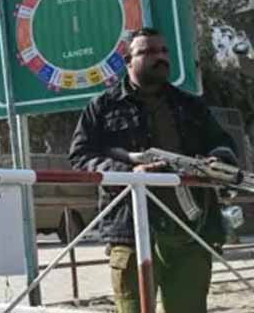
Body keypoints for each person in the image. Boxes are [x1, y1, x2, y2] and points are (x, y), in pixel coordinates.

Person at [69, 27, 237, 313]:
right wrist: (129, 173)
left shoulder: (190, 105)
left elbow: (223, 145)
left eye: (163, 51)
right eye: (148, 52)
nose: (160, 57)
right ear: (128, 61)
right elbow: (80, 156)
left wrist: (214, 161)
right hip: (131, 232)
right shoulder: (103, 107)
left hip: (190, 232)